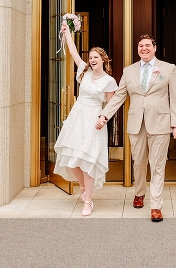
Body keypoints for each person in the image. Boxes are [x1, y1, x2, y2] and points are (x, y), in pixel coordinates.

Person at [96, 34, 176, 222]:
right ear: (138, 49)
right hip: (136, 123)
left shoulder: (168, 69)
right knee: (139, 162)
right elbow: (119, 96)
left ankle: (156, 206)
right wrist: (104, 115)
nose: (144, 48)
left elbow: (175, 97)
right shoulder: (129, 71)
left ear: (155, 47)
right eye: (141, 46)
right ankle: (140, 192)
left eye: (147, 45)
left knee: (157, 164)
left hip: (160, 123)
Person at [53, 25, 117, 217]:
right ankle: (82, 186)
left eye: (95, 57)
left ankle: (88, 201)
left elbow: (111, 105)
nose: (92, 60)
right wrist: (67, 33)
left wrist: (103, 119)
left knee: (88, 160)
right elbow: (72, 51)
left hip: (94, 121)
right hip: (77, 118)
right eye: (90, 57)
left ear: (103, 60)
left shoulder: (109, 81)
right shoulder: (84, 72)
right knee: (71, 160)